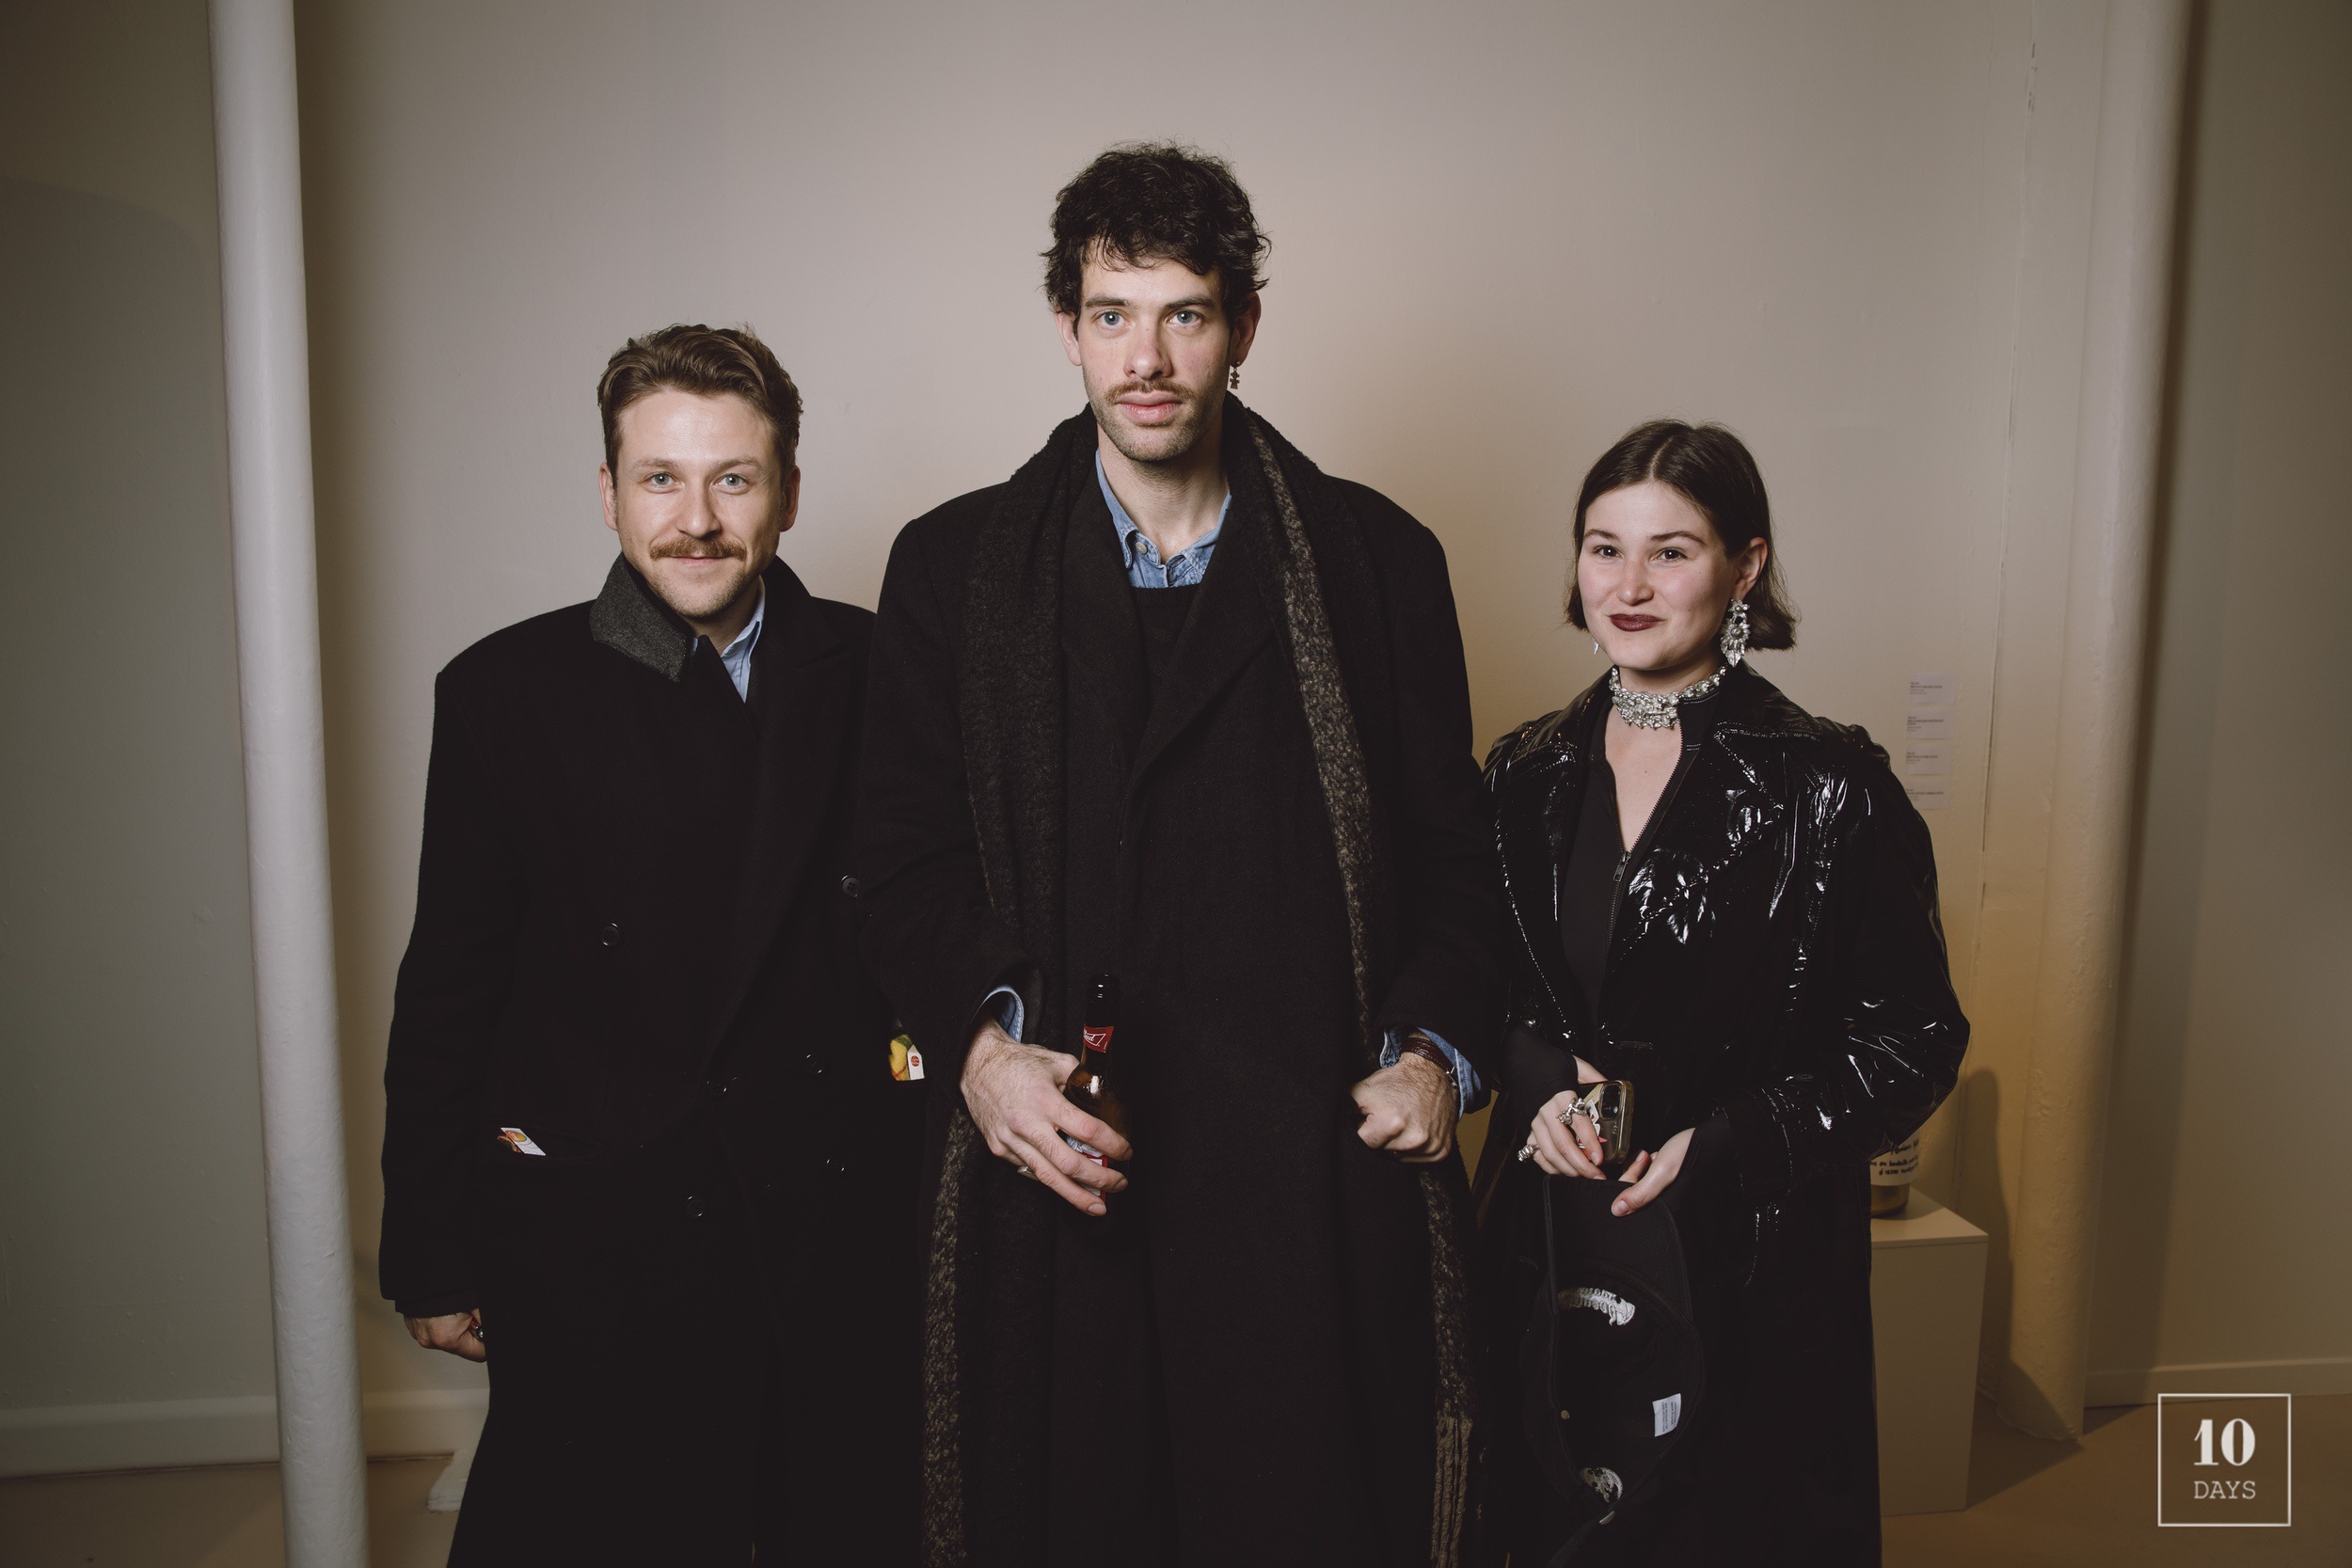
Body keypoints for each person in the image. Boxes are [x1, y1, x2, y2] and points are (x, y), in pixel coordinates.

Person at [850, 143, 1504, 1565]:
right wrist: (982, 1056)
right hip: (1062, 1165)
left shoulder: (1379, 561)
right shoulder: (953, 567)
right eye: (1112, 314)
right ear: (1068, 326)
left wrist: (1432, 1055)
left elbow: (1460, 864)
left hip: (1303, 1180)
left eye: (1184, 314)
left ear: (1243, 325)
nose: (1145, 359)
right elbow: (897, 862)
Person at [377, 324, 921, 1564]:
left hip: (835, 1211)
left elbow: (930, 928)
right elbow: (450, 985)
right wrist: (433, 1248)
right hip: (601, 1222)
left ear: (788, 492)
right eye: (661, 478)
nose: (697, 520)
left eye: (734, 478)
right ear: (609, 491)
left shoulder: (887, 668)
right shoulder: (503, 691)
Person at [1471, 420, 1969, 1566]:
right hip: (1550, 1221)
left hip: (1745, 1252)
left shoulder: (1831, 786)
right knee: (1551, 1518)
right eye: (1604, 548)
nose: (1628, 586)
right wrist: (1538, 1081)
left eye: (1671, 551)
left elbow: (1915, 1038)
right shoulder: (1519, 773)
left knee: (1720, 1526)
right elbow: (1478, 986)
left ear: (1745, 567)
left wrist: (1735, 1138)